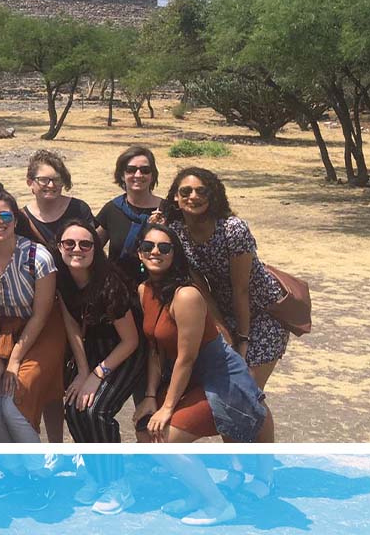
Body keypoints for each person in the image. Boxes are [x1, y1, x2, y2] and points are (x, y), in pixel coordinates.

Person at [132, 223, 274, 526]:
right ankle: (197, 492)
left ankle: (217, 505)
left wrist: (168, 407)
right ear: (139, 252)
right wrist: (148, 398)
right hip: (189, 379)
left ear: (175, 255)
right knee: (146, 431)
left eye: (165, 247)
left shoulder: (187, 296)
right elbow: (154, 350)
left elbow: (187, 357)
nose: (155, 252)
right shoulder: (144, 290)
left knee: (165, 441)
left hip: (220, 381)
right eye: (148, 246)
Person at [0, 186, 64, 506]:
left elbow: (41, 315)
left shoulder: (37, 257)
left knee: (14, 399)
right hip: (2, 334)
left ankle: (40, 476)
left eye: (5, 215)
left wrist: (13, 360)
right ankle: (16, 473)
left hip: (41, 332)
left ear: (16, 219)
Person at [160, 167, 288, 389]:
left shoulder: (232, 229)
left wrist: (243, 340)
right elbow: (201, 289)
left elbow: (242, 289)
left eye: (202, 191)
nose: (194, 197)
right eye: (186, 191)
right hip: (224, 310)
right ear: (175, 197)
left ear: (213, 196)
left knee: (247, 391)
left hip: (262, 312)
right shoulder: (177, 231)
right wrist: (223, 330)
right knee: (222, 386)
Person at [55, 220, 145, 515]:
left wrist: (96, 376)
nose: (77, 249)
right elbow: (71, 326)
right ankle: (98, 476)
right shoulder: (63, 279)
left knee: (97, 410)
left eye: (85, 244)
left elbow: (130, 340)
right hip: (91, 352)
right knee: (72, 405)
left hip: (125, 351)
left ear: (96, 248)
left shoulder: (109, 284)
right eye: (69, 244)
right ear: (59, 247)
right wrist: (81, 372)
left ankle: (119, 484)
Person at [15, 148, 93, 445]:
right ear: (30, 182)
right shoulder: (20, 218)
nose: (50, 185)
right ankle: (45, 446)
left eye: (56, 179)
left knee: (67, 379)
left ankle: (67, 444)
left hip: (77, 306)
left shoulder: (80, 210)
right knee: (47, 379)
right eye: (43, 179)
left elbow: (94, 250)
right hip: (39, 308)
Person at [95, 146, 163, 284]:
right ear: (122, 175)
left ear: (152, 175)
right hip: (117, 291)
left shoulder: (166, 211)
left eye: (145, 170)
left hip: (157, 288)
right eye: (131, 170)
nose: (138, 175)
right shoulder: (113, 208)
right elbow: (92, 247)